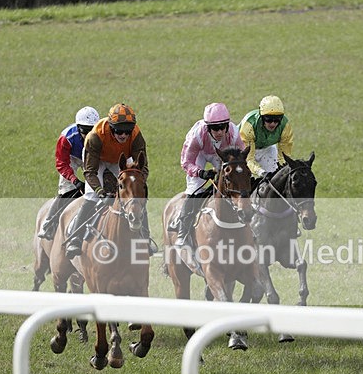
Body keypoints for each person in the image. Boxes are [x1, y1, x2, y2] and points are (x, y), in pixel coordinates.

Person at [65, 103, 155, 258]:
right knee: (91, 197)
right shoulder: (95, 136)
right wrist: (100, 192)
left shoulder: (136, 136)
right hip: (97, 161)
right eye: (119, 131)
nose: (124, 135)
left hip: (120, 161)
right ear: (111, 127)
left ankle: (144, 238)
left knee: (136, 198)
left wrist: (137, 186)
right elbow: (90, 172)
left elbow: (143, 168)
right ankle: (75, 238)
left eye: (127, 131)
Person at [174, 102, 246, 247]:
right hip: (199, 154)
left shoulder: (234, 133)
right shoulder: (197, 136)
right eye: (214, 128)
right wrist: (201, 172)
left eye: (222, 127)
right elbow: (186, 162)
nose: (219, 132)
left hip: (222, 155)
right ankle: (182, 232)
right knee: (195, 188)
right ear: (208, 127)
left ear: (227, 125)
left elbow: (242, 158)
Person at [38, 106, 100, 240]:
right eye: (85, 131)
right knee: (66, 191)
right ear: (78, 128)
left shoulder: (101, 135)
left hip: (90, 156)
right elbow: (62, 163)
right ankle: (48, 223)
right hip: (71, 158)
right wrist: (74, 180)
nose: (89, 134)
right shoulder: (66, 137)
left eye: (92, 130)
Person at [239, 94, 294, 181]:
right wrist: (261, 172)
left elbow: (284, 157)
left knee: (275, 180)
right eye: (269, 119)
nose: (273, 124)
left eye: (277, 120)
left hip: (266, 149)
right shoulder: (249, 126)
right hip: (243, 150)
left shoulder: (285, 126)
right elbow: (249, 159)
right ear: (262, 117)